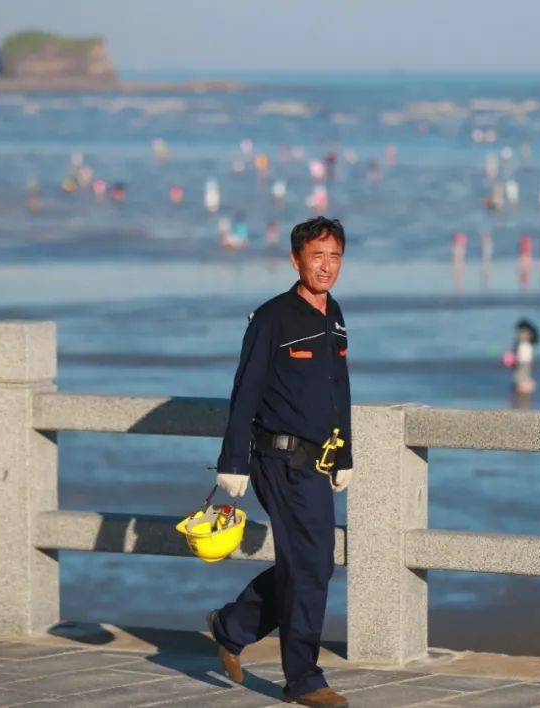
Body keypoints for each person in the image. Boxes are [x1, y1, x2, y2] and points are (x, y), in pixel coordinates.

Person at [208, 216, 353, 708]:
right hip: (278, 460)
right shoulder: (272, 318)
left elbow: (340, 391)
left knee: (309, 563)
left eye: (334, 256)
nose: (326, 266)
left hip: (317, 462)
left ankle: (232, 626)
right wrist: (233, 463)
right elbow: (244, 392)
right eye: (317, 256)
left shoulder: (334, 315)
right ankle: (305, 679)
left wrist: (345, 453)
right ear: (296, 260)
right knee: (312, 564)